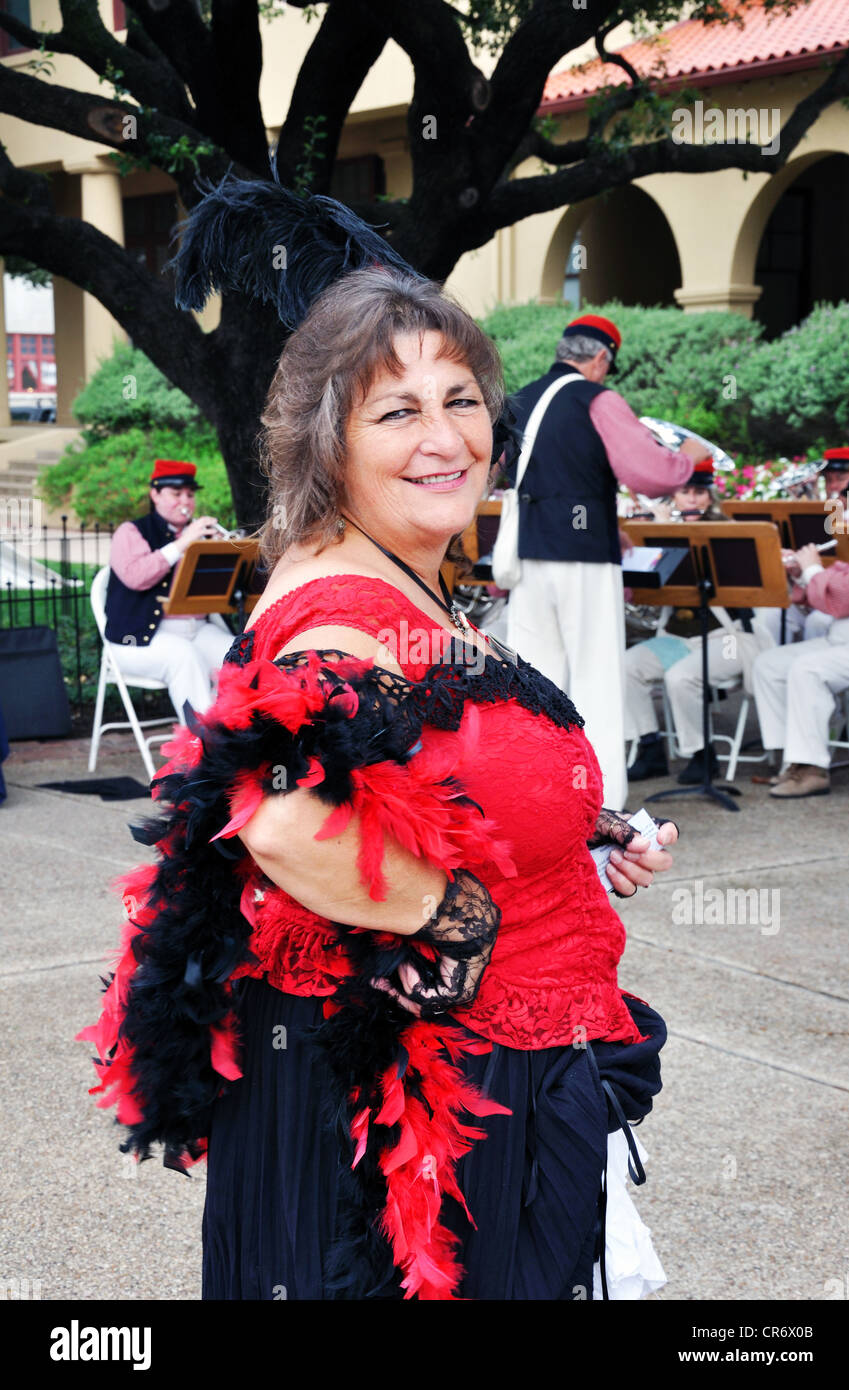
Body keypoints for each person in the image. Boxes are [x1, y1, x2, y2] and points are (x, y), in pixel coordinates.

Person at [78, 237, 679, 1301]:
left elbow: (424, 769)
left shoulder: (405, 579)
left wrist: (573, 834)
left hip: (492, 1081)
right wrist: (461, 917)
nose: (445, 438)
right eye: (396, 411)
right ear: (327, 445)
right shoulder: (340, 608)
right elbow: (276, 813)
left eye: (459, 398)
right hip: (407, 1116)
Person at [503, 314, 710, 807]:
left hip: (528, 557)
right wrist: (689, 456)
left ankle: (537, 796)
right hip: (584, 559)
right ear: (601, 359)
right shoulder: (598, 399)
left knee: (536, 682)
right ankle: (601, 803)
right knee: (597, 678)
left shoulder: (521, 400)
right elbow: (651, 474)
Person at [624, 459, 773, 783]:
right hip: (679, 639)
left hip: (730, 638)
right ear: (673, 497)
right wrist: (653, 535)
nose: (691, 500)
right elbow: (641, 590)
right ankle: (650, 748)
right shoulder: (655, 531)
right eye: (684, 492)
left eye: (698, 492)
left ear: (709, 497)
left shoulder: (729, 532)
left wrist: (664, 531)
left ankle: (702, 756)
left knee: (681, 677)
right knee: (627, 665)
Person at [751, 470, 849, 799]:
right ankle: (791, 758)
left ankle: (811, 767)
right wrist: (800, 573)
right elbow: (827, 592)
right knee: (770, 664)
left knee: (808, 669)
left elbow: (844, 598)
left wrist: (812, 569)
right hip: (844, 639)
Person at [104, 460, 234, 721]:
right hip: (138, 637)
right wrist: (185, 543)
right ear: (155, 494)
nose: (184, 500)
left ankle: (236, 734)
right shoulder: (130, 532)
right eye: (176, 494)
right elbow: (136, 576)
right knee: (185, 659)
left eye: (190, 494)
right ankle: (205, 747)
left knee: (239, 658)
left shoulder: (200, 536)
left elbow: (219, 593)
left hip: (197, 630)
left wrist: (222, 555)